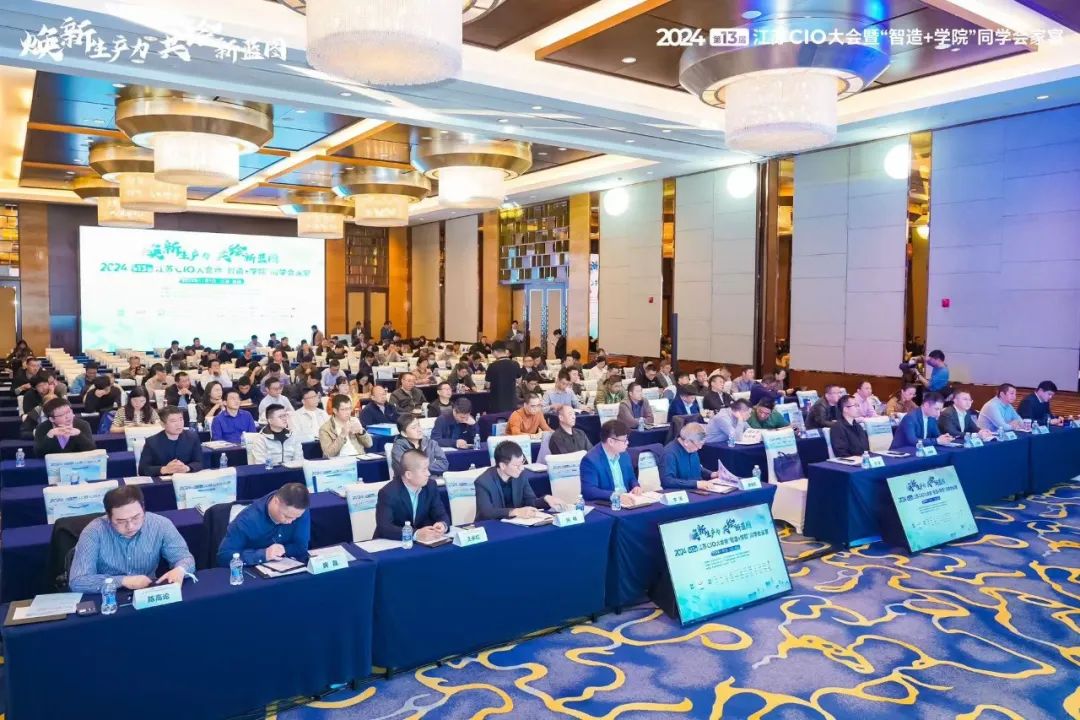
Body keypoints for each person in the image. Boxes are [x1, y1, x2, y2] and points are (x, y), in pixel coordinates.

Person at [68, 485, 195, 592]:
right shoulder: (93, 531)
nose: (130, 526)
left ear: (143, 509)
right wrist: (123, 581)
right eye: (121, 521)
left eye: (136, 517)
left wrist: (180, 569)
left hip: (147, 592)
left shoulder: (161, 524)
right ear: (108, 517)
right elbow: (78, 581)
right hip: (108, 595)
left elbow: (185, 558)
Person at [217, 483, 311, 566]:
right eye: (286, 516)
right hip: (252, 570)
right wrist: (264, 554)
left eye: (296, 518)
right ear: (276, 502)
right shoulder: (247, 520)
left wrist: (283, 549)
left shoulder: (297, 509)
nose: (290, 521)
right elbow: (224, 556)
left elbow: (301, 547)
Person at [475, 441, 563, 520]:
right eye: (516, 466)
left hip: (515, 523)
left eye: (522, 463)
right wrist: (515, 511)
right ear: (502, 466)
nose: (521, 468)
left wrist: (545, 499)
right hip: (490, 526)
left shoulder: (521, 475)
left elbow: (530, 501)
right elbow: (486, 512)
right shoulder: (483, 482)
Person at [374, 450, 449, 541]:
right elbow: (385, 528)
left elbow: (441, 514)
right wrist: (416, 534)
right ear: (408, 475)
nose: (428, 474)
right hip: (391, 543)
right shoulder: (388, 493)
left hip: (422, 543)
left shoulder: (430, 486)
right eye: (424, 470)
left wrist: (442, 525)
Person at [659, 422, 739, 490]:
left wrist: (711, 474)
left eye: (702, 444)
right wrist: (696, 484)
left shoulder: (691, 447)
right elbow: (667, 481)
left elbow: (696, 468)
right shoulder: (669, 453)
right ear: (686, 442)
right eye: (698, 445)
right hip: (682, 492)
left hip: (696, 489)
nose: (700, 448)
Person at [580, 420, 641, 501]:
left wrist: (635, 486)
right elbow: (589, 491)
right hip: (607, 503)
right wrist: (615, 496)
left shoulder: (624, 454)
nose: (627, 442)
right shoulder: (590, 461)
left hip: (627, 499)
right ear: (611, 441)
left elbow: (631, 478)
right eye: (624, 440)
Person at [138, 406, 204, 476]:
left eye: (181, 419)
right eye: (173, 421)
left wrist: (186, 468)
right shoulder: (152, 442)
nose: (179, 424)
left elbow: (199, 463)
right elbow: (142, 470)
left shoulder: (192, 437)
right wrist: (165, 469)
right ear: (163, 424)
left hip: (185, 478)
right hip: (162, 480)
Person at [484, 341, 521, 413]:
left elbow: (487, 385)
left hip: (497, 404)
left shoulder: (492, 366)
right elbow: (519, 381)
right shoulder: (515, 364)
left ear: (495, 352)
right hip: (512, 403)